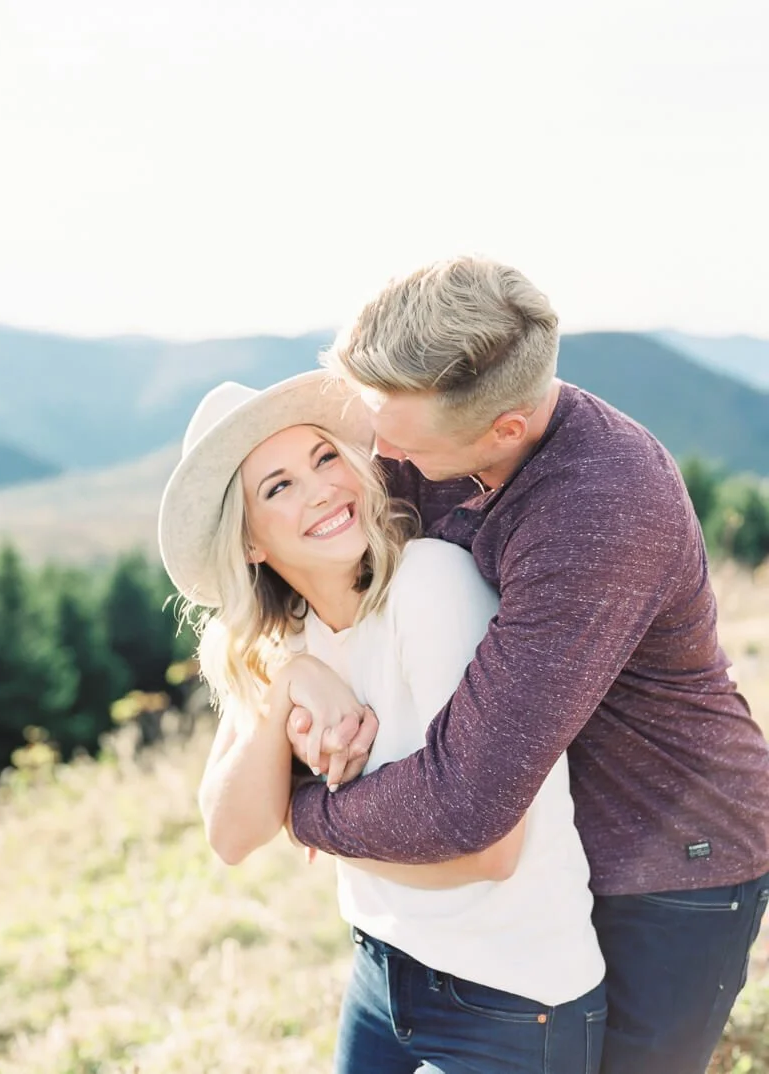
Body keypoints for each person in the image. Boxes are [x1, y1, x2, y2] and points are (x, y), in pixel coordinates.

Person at [284, 256, 769, 1074]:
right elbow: (277, 566)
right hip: (549, 848)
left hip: (671, 861)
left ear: (507, 427)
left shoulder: (602, 507)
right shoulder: (419, 429)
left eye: (397, 431)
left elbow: (466, 803)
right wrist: (295, 670)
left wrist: (298, 811)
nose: (373, 446)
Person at [158, 369, 607, 1074]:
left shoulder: (428, 587)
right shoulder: (287, 641)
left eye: (324, 458)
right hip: (380, 977)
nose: (322, 490)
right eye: (278, 487)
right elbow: (229, 832)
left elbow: (489, 851)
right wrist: (283, 689)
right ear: (250, 544)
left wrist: (314, 824)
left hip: (511, 999)